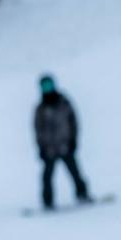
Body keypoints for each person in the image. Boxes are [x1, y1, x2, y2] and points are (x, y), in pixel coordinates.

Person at [34, 74, 91, 209]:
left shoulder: (64, 103)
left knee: (75, 172)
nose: (47, 89)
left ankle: (82, 194)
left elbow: (74, 122)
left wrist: (73, 140)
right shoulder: (41, 108)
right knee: (47, 177)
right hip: (49, 149)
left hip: (65, 145)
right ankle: (48, 202)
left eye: (49, 85)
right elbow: (38, 129)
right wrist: (41, 147)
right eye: (45, 86)